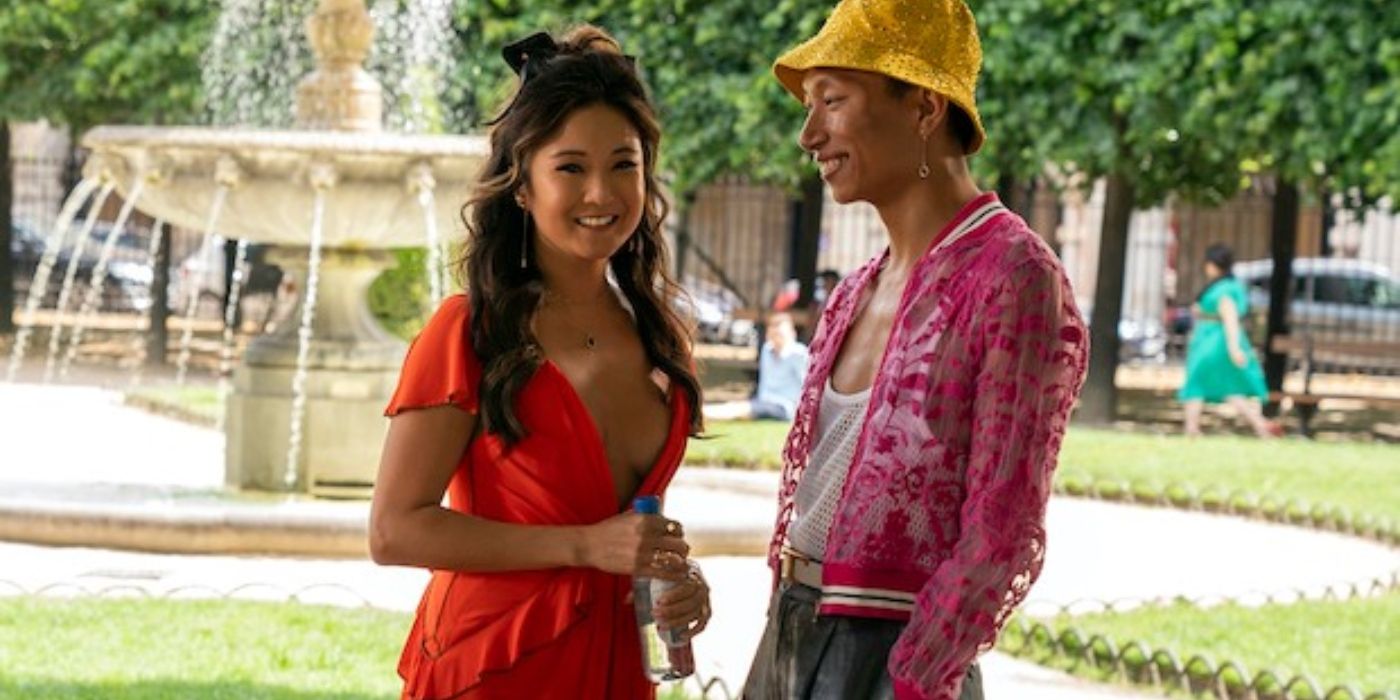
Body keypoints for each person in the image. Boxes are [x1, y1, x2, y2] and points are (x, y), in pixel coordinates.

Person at [742, 1, 1090, 699]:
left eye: (832, 101)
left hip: (897, 655)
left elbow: (1002, 527)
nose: (809, 134)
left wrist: (914, 677)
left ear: (925, 109)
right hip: (792, 629)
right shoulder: (854, 291)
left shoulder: (1012, 276)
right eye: (810, 107)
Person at [368, 26, 711, 700]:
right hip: (493, 663)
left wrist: (680, 584)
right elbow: (395, 530)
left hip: (614, 667)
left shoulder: (662, 336)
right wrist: (583, 547)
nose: (601, 193)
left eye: (624, 164)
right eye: (571, 167)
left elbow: (632, 528)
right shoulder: (468, 332)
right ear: (521, 184)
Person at [1177, 243, 1280, 438]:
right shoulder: (1225, 286)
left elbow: (1230, 318)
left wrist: (1234, 348)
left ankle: (1192, 428)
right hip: (1211, 338)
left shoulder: (1224, 289)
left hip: (1214, 341)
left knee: (1197, 380)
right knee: (1228, 386)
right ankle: (1260, 425)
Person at [703, 311, 810, 421]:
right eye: (774, 333)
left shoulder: (799, 354)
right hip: (763, 401)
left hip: (784, 406)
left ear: (792, 334)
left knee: (741, 409)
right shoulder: (767, 350)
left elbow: (807, 384)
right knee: (740, 407)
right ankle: (704, 412)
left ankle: (704, 413)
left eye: (780, 334)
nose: (777, 337)